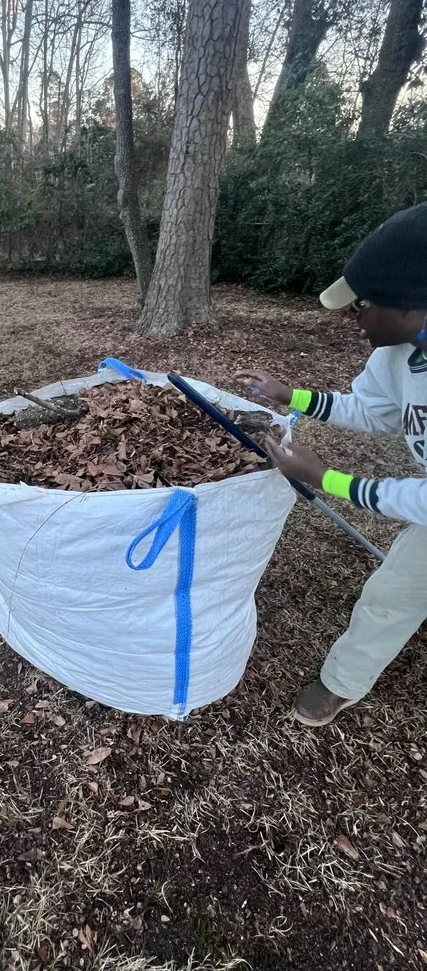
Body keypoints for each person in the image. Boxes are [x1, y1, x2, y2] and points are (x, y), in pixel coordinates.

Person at [235, 202, 427, 727]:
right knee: (392, 595)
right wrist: (291, 395)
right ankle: (343, 682)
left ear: (416, 307)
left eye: (362, 303)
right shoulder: (397, 351)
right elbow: (371, 410)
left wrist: (326, 478)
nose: (353, 315)